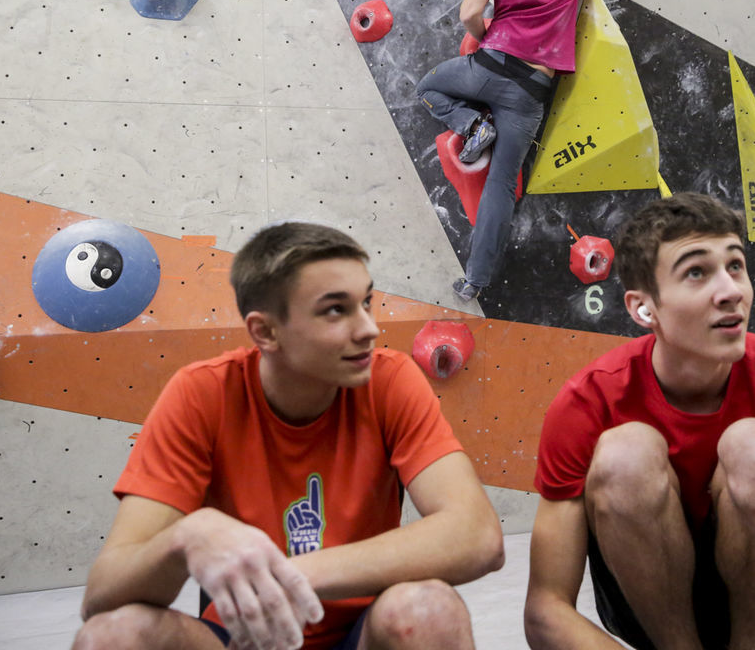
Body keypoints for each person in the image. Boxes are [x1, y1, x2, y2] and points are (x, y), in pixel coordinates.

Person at [73, 222, 504, 650]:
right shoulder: (201, 393)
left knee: (428, 611)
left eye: (366, 303)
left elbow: (477, 536)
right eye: (335, 310)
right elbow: (102, 596)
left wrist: (289, 576)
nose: (368, 329)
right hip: (242, 638)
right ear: (265, 331)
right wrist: (183, 539)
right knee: (112, 637)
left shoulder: (390, 380)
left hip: (361, 633)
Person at [525, 192, 755, 650]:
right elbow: (546, 609)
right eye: (696, 272)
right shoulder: (587, 402)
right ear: (643, 308)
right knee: (625, 454)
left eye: (736, 266)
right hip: (643, 612)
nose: (731, 291)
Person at [416, 0, 623, 301]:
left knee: (428, 87)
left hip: (489, 67)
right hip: (530, 91)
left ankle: (472, 124)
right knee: (501, 184)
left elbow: (469, 13)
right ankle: (475, 281)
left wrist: (484, 38)